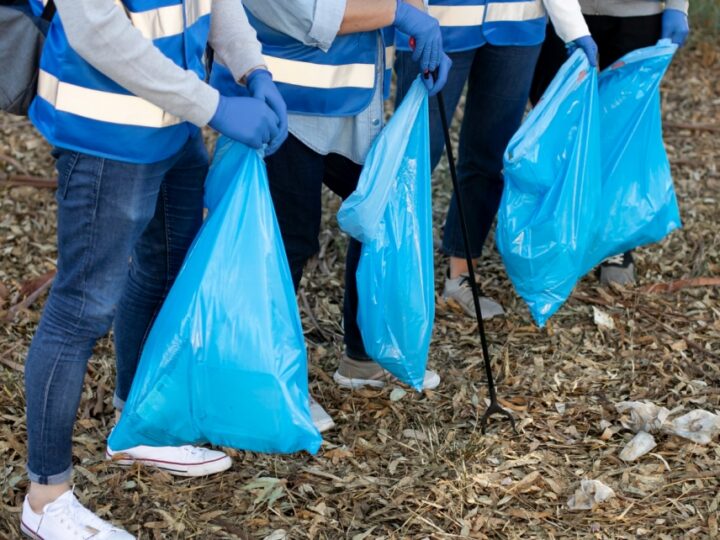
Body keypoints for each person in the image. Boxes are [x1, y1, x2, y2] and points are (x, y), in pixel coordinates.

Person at [20, 0, 287, 536]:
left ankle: (137, 420)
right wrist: (213, 106)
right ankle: (45, 500)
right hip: (106, 136)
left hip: (175, 123)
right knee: (79, 311)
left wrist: (252, 67)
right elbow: (95, 29)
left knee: (166, 259)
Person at [212, 0, 451, 433]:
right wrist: (402, 14)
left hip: (354, 100)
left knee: (376, 212)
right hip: (286, 105)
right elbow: (310, 12)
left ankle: (362, 357)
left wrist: (422, 27)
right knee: (288, 241)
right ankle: (269, 382)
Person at [394, 0, 597, 319]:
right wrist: (411, 17)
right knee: (412, 158)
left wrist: (573, 29)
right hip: (438, 22)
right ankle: (393, 280)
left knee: (488, 158)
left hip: (517, 25)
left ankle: (460, 278)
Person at [529, 0, 690, 285]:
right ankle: (557, 232)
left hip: (637, 14)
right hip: (561, 12)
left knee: (623, 128)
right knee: (557, 123)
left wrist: (678, 5)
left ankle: (613, 242)